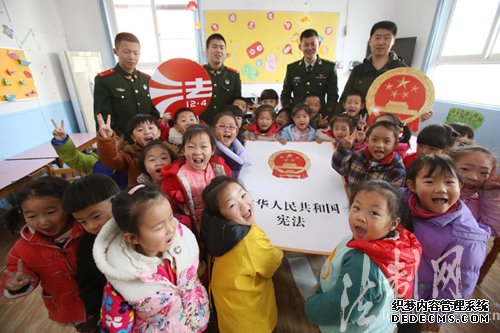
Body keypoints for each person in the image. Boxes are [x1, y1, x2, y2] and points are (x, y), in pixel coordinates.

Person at [304, 180, 421, 333]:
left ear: (393, 223)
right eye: (357, 208)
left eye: (374, 213)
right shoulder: (391, 244)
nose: (360, 217)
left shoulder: (362, 265)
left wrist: (311, 306)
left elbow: (341, 310)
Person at [93, 184, 209, 332]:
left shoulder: (183, 240)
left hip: (198, 320)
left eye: (170, 217)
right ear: (133, 238)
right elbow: (116, 326)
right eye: (159, 227)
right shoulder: (122, 278)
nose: (171, 229)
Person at [402, 155, 490, 332]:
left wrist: (437, 316)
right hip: (387, 287)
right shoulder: (398, 201)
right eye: (429, 181)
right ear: (412, 186)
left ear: (460, 186)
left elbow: (458, 284)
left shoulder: (465, 237)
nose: (441, 189)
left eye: (449, 182)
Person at [0, 177, 89, 330]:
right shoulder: (22, 248)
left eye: (51, 212)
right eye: (31, 216)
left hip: (107, 302)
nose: (43, 222)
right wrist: (17, 283)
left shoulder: (87, 230)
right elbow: (15, 271)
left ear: (67, 206)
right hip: (70, 310)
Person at [201, 176, 283, 333]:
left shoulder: (214, 229)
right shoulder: (250, 239)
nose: (244, 204)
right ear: (221, 215)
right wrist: (278, 250)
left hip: (227, 314)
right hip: (250, 320)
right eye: (232, 204)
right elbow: (271, 264)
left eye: (243, 195)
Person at [62, 174, 120, 331]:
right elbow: (88, 286)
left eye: (96, 216)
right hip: (118, 316)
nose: (91, 226)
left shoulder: (140, 228)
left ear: (116, 203)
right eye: (82, 222)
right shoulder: (87, 247)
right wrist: (102, 313)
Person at [162, 124, 231, 236]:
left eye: (203, 147)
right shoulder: (174, 178)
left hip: (218, 227)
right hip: (190, 231)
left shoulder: (221, 170)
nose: (197, 152)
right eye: (191, 147)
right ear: (183, 150)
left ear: (212, 150)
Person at [449, 146, 500, 284]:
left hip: (456, 272)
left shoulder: (478, 202)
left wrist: (488, 194)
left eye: (484, 173)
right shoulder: (431, 193)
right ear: (448, 165)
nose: (474, 177)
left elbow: (496, 228)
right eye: (465, 169)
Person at [93, 32, 159, 137]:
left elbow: (154, 113)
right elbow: (104, 118)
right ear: (116, 51)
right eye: (126, 52)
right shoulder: (105, 80)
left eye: (136, 53)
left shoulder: (146, 80)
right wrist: (115, 140)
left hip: (149, 140)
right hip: (123, 142)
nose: (132, 57)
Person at [335, 21, 407, 115]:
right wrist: (332, 121)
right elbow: (344, 98)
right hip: (360, 125)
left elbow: (410, 101)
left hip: (387, 126)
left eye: (386, 38)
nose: (381, 42)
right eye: (377, 38)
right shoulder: (359, 70)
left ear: (393, 41)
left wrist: (421, 112)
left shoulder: (402, 71)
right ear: (370, 41)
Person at [50, 119, 128, 189]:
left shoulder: (128, 158)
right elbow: (74, 158)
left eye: (115, 139)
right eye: (104, 140)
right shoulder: (93, 160)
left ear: (125, 143)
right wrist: (63, 141)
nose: (109, 142)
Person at [331, 120, 406, 192]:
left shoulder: (397, 170)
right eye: (374, 140)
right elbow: (340, 169)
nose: (379, 145)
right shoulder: (358, 155)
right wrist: (345, 149)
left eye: (387, 141)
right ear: (367, 140)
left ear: (395, 145)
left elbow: (392, 199)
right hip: (352, 201)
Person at [281, 29, 338, 115]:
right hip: (297, 117)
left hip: (320, 117)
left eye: (313, 44)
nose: (310, 48)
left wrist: (326, 115)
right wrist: (290, 113)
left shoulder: (329, 67)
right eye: (306, 45)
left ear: (319, 44)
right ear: (300, 47)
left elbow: (333, 96)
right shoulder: (292, 68)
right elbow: (285, 95)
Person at [97, 113, 161, 185]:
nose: (147, 132)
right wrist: (106, 140)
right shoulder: (129, 154)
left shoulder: (170, 150)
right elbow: (112, 161)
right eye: (140, 130)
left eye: (150, 127)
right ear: (133, 137)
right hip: (141, 194)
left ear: (159, 132)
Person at [201, 33, 242, 125]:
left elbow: (236, 105)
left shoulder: (233, 76)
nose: (218, 51)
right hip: (202, 125)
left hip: (224, 127)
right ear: (207, 50)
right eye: (214, 47)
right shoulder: (198, 73)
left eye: (221, 48)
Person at [212, 111, 250, 177]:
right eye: (222, 126)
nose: (227, 130)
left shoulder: (241, 150)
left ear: (237, 131)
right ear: (213, 130)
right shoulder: (210, 152)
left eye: (231, 127)